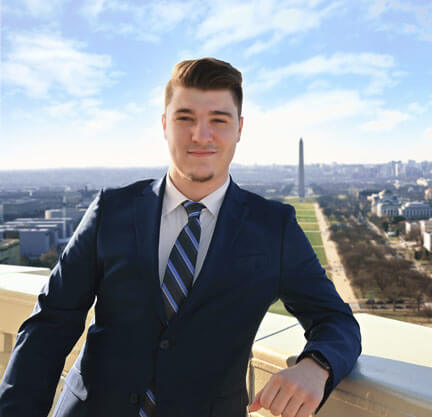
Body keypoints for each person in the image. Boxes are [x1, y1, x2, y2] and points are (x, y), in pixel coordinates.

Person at [0, 58, 361, 417]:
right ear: (164, 125)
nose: (200, 135)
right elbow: (49, 327)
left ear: (239, 128)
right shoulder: (111, 211)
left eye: (218, 120)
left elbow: (337, 321)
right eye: (184, 118)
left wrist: (317, 365)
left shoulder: (274, 229)